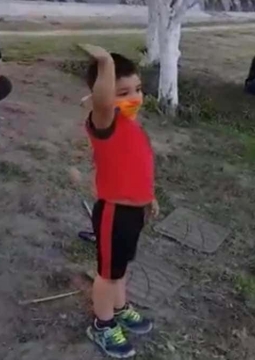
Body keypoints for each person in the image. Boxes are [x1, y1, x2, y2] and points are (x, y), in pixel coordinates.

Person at [78, 43, 159, 358]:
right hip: (114, 212)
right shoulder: (104, 122)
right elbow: (102, 99)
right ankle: (102, 323)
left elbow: (139, 167)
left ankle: (120, 307)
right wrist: (105, 63)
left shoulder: (131, 126)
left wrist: (149, 198)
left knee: (120, 268)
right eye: (122, 92)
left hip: (135, 211)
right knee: (107, 273)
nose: (135, 97)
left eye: (137, 89)